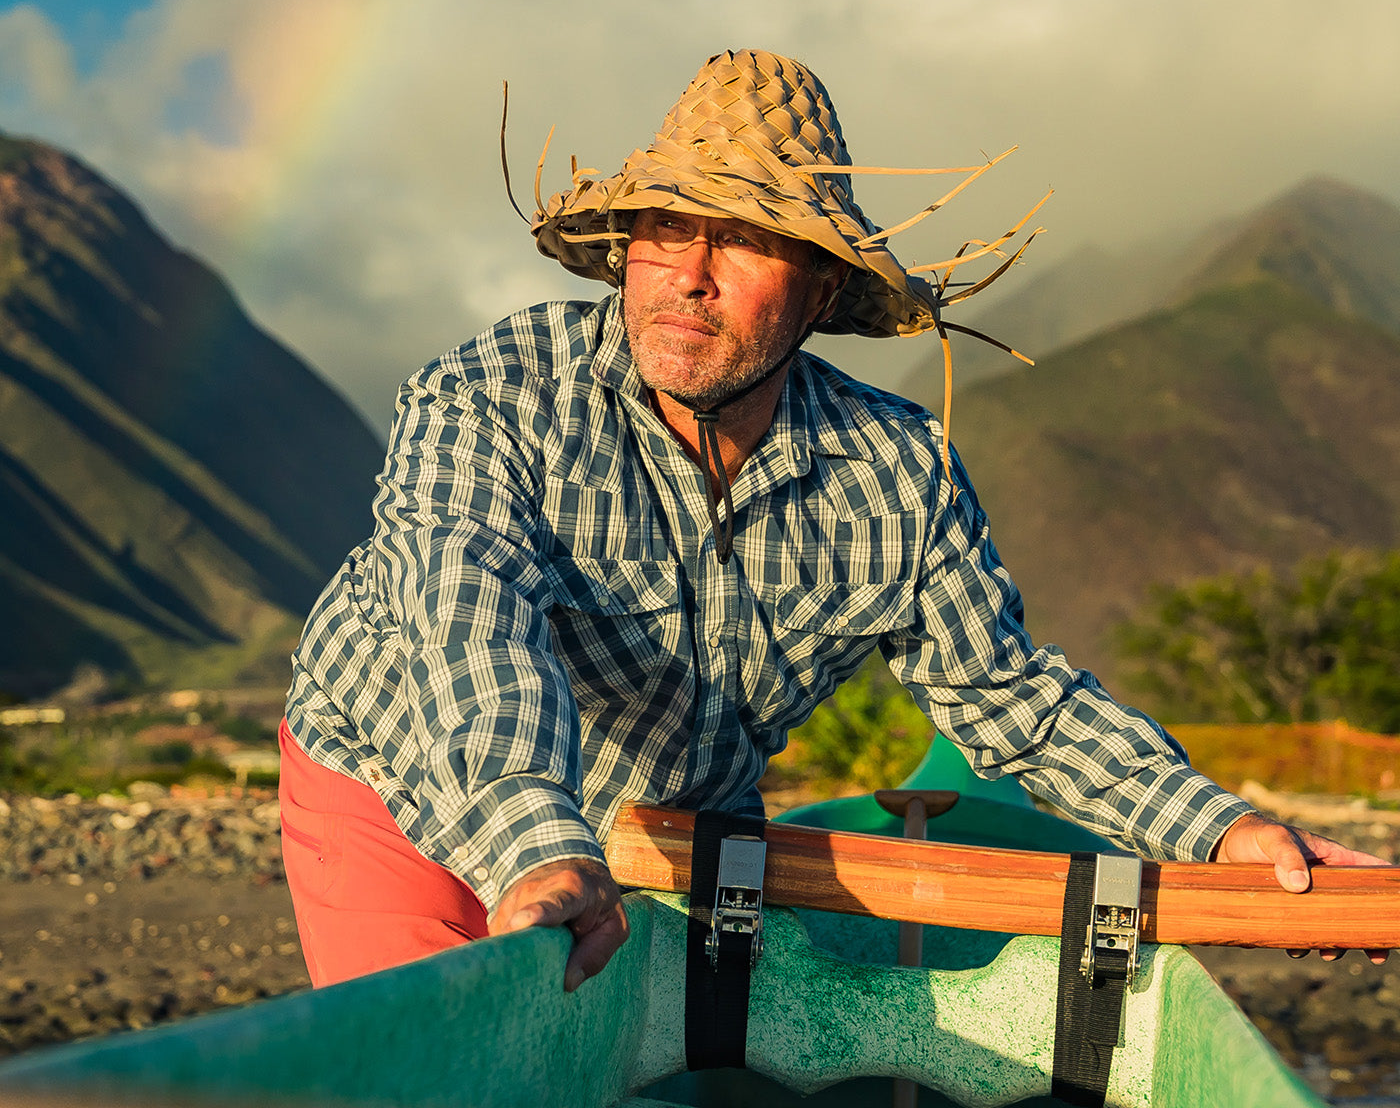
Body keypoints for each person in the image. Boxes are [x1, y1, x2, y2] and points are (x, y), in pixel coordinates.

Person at [279, 48, 1386, 991]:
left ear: (818, 289)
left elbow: (1010, 700)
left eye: (746, 240)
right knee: (461, 1052)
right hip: (396, 766)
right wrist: (537, 838)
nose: (690, 275)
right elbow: (467, 620)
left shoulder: (896, 474)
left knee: (673, 1057)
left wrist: (1221, 831)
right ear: (624, 247)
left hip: (668, 814)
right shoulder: (494, 392)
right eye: (666, 226)